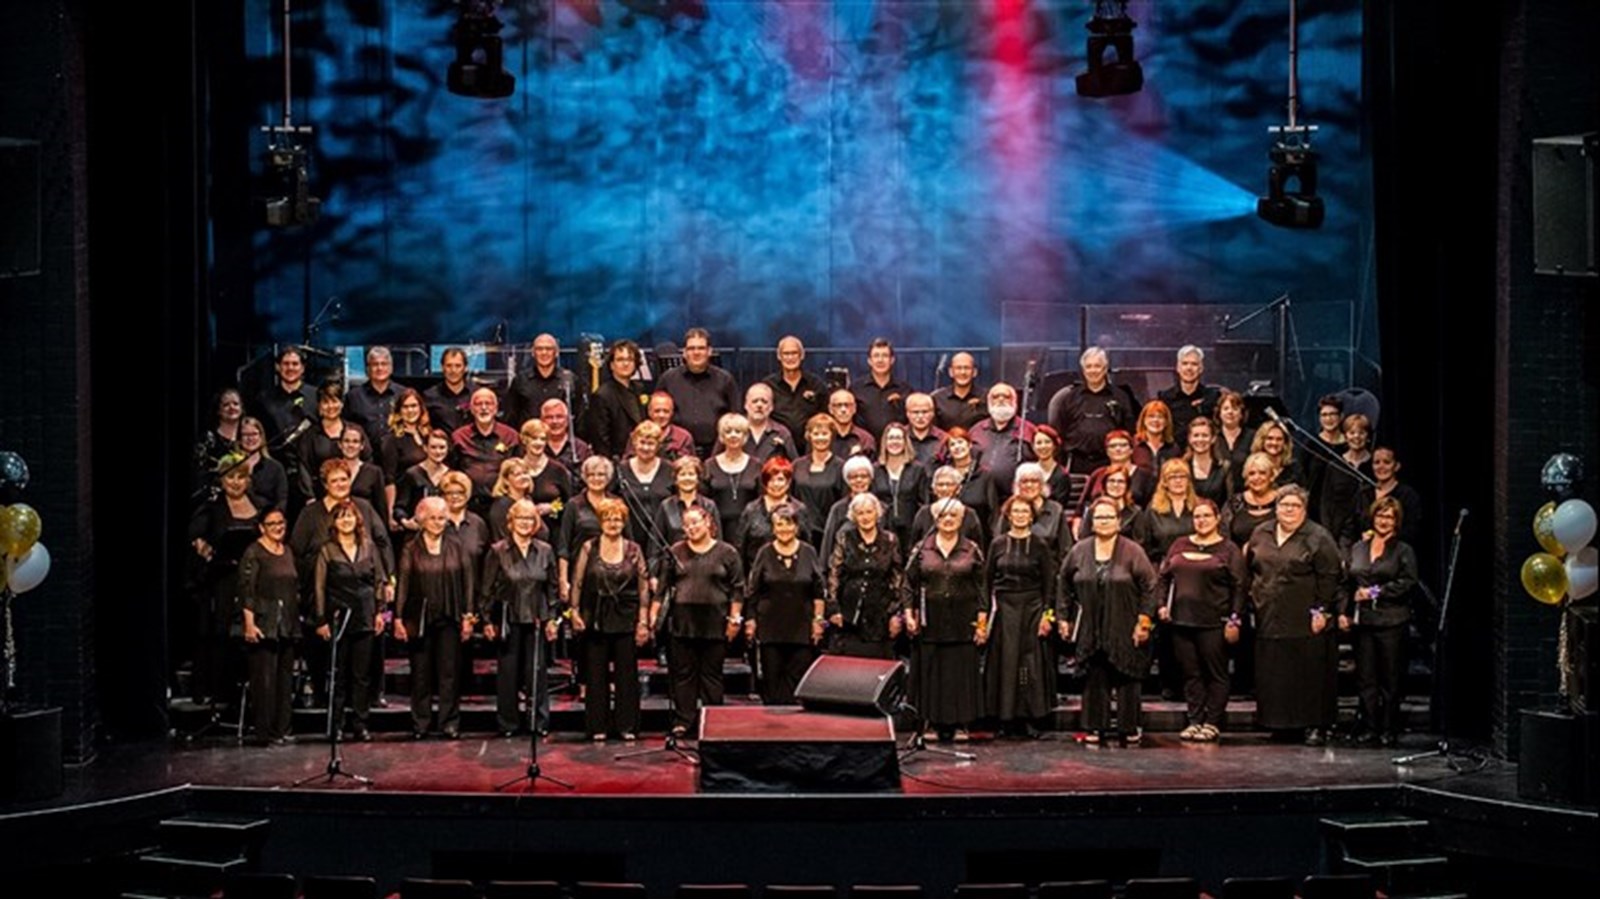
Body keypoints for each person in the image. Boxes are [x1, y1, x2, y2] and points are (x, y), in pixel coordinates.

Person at [1244, 485, 1345, 746]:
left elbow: (1330, 577)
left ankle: (1314, 726)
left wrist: (1321, 610)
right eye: (1283, 505)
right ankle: (1280, 724)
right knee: (1275, 671)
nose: (1288, 510)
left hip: (1305, 615)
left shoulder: (1318, 537)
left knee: (1308, 672)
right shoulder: (1261, 532)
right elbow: (1251, 569)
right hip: (1269, 615)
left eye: (1294, 506)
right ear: (1276, 507)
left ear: (1304, 509)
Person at [1057, 497, 1159, 744]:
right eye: (1098, 517)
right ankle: (1095, 726)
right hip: (1090, 624)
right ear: (1091, 521)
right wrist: (1063, 617)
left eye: (1108, 517)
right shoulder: (1079, 550)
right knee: (1094, 674)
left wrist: (1144, 621)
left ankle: (1129, 727)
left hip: (1125, 623)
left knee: (1127, 676)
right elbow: (1063, 584)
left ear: (1118, 521)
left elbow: (1150, 586)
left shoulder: (1133, 550)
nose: (1103, 522)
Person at [1158, 499, 1246, 743]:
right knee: (1191, 673)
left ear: (1217, 518)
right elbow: (1164, 577)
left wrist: (1235, 620)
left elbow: (1239, 588)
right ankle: (1195, 720)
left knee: (1216, 673)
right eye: (1197, 516)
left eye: (1207, 515)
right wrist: (1162, 605)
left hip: (1214, 622)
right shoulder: (1179, 544)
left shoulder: (1229, 549)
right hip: (1181, 621)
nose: (1202, 520)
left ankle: (1213, 722)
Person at [652, 506, 743, 738]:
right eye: (687, 525)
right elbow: (662, 587)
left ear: (708, 522)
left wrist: (735, 619)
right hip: (683, 623)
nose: (691, 528)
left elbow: (737, 589)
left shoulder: (727, 552)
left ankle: (713, 718)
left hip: (715, 622)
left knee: (712, 674)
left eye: (695, 523)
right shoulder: (675, 551)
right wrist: (652, 615)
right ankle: (684, 720)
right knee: (683, 674)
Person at [393, 496, 476, 739]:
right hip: (419, 618)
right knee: (420, 673)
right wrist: (397, 617)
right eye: (432, 518)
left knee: (449, 672)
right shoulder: (410, 547)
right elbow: (404, 583)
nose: (438, 523)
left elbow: (468, 582)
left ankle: (449, 722)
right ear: (421, 519)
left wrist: (468, 615)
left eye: (442, 518)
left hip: (450, 616)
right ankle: (421, 722)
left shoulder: (456, 545)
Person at [568, 498, 651, 740]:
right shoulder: (588, 547)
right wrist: (574, 610)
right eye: (608, 519)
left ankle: (627, 726)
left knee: (627, 675)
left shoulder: (634, 549)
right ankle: (598, 727)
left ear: (624, 522)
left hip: (626, 616)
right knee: (595, 675)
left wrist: (643, 621)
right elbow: (578, 582)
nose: (613, 523)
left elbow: (643, 587)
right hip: (595, 616)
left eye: (617, 519)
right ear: (600, 521)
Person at [906, 499, 987, 742]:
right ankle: (930, 723)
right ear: (935, 520)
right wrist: (909, 614)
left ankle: (961, 723)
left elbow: (982, 588)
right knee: (930, 672)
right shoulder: (921, 548)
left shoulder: (972, 549)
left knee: (960, 673)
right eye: (943, 515)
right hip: (930, 621)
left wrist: (982, 624)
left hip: (963, 621)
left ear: (961, 519)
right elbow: (908, 585)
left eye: (953, 515)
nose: (948, 519)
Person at [480, 498, 560, 738]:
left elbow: (552, 589)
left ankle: (538, 721)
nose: (525, 523)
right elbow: (487, 588)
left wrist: (552, 619)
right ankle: (508, 723)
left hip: (537, 617)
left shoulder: (545, 550)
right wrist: (486, 620)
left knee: (536, 673)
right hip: (508, 618)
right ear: (511, 522)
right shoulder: (497, 551)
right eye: (520, 519)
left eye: (529, 519)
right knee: (508, 674)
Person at [311, 500, 389, 742]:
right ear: (334, 522)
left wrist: (379, 612)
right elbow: (319, 587)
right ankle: (336, 725)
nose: (346, 521)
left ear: (358, 520)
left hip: (365, 616)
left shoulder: (368, 547)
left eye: (350, 516)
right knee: (339, 674)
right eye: (341, 517)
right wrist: (321, 620)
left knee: (361, 675)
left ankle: (360, 723)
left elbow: (378, 582)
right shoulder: (327, 550)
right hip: (338, 618)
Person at [187, 457, 260, 706]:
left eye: (241, 477)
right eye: (231, 477)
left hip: (253, 579)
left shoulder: (259, 505)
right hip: (222, 580)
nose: (236, 482)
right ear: (222, 479)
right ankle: (218, 690)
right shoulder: (212, 508)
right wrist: (205, 549)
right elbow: (196, 539)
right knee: (221, 633)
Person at [1346, 496, 1418, 746]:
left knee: (1390, 677)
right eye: (1380, 516)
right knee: (1366, 677)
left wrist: (1376, 592)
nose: (1384, 521)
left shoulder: (1403, 550)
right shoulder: (1359, 547)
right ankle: (1369, 726)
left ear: (1396, 521)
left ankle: (1388, 727)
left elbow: (1408, 582)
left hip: (1392, 621)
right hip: (1364, 621)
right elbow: (1350, 578)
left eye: (1389, 517)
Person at [985, 495, 1058, 737]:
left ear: (1031, 516)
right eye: (1015, 511)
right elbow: (985, 583)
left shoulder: (1040, 545)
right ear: (1008, 515)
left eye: (1024, 511)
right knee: (1006, 662)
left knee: (1029, 663)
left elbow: (1049, 584)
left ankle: (1029, 716)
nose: (1019, 515)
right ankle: (1006, 718)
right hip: (1006, 608)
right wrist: (984, 617)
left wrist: (1047, 616)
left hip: (1033, 607)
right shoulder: (997, 544)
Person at [744, 503, 826, 705]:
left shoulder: (809, 551)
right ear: (773, 528)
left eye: (789, 525)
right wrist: (751, 620)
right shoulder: (764, 552)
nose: (784, 529)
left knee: (798, 677)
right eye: (779, 525)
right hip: (770, 627)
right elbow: (753, 590)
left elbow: (818, 591)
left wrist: (818, 620)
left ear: (796, 527)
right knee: (772, 677)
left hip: (801, 626)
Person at [237, 509, 299, 746]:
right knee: (264, 681)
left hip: (286, 623)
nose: (277, 527)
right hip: (264, 623)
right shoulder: (254, 552)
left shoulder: (287, 551)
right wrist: (249, 623)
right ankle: (265, 732)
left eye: (280, 523)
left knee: (284, 680)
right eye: (271, 524)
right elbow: (246, 590)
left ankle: (282, 729)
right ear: (261, 527)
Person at [826, 492, 906, 659]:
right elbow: (834, 573)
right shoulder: (844, 537)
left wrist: (895, 614)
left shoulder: (890, 540)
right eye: (860, 513)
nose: (865, 517)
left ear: (877, 513)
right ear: (853, 516)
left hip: (880, 614)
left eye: (869, 512)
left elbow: (898, 578)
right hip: (848, 614)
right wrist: (833, 608)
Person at [1047, 346, 1139, 477]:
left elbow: (1130, 431)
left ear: (1105, 368)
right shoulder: (1069, 398)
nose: (1093, 370)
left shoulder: (1121, 397)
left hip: (1111, 462)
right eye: (1088, 366)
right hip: (1076, 464)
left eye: (1097, 366)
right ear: (1083, 370)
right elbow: (1059, 432)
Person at [657, 328, 740, 456]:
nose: (696, 352)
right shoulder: (668, 379)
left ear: (709, 351)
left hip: (716, 452)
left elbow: (735, 416)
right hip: (676, 452)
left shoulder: (725, 379)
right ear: (684, 352)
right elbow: (656, 414)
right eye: (691, 348)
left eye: (701, 348)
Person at [557, 455, 618, 602]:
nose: (596, 479)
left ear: (608, 477)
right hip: (580, 575)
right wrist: (563, 580)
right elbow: (564, 545)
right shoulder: (574, 504)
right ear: (584, 477)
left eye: (601, 474)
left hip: (612, 575)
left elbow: (628, 542)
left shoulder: (617, 503)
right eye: (591, 474)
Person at [450, 387, 521, 513]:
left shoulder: (511, 436)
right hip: (468, 505)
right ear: (471, 409)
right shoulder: (459, 437)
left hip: (502, 505)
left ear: (496, 409)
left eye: (488, 403)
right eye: (478, 404)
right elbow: (452, 472)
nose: (483, 408)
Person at [735, 456, 812, 567]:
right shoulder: (751, 509)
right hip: (758, 575)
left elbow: (807, 547)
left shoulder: (799, 509)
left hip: (794, 575)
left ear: (789, 482)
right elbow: (740, 547)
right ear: (764, 483)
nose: (775, 484)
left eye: (780, 479)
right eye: (771, 479)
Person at [652, 455, 721, 578]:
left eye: (691, 474)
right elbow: (655, 544)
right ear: (676, 479)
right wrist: (653, 575)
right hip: (672, 571)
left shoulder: (709, 506)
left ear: (698, 478)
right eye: (682, 474)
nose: (687, 478)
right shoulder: (665, 506)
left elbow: (718, 540)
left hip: (705, 571)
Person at [505, 333, 584, 436]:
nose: (544, 353)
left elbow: (579, 417)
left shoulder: (570, 380)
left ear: (556, 353)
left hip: (561, 445)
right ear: (533, 353)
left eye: (548, 349)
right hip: (528, 444)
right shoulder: (520, 381)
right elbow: (511, 416)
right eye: (539, 349)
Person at [1346, 446, 1423, 548]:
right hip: (1364, 556)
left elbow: (1413, 530)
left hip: (1396, 554)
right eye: (1376, 462)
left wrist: (1384, 539)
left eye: (1386, 462)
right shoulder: (1363, 494)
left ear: (1396, 466)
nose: (1381, 467)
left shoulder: (1408, 495)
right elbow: (1349, 529)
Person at [615, 421, 673, 554]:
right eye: (642, 442)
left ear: (658, 445)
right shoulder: (620, 470)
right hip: (629, 540)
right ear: (634, 442)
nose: (646, 448)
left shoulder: (669, 469)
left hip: (664, 540)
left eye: (651, 443)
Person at [872, 422, 930, 552]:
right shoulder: (875, 470)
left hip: (911, 529)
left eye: (899, 438)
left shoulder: (917, 469)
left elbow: (924, 501)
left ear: (905, 442)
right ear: (884, 442)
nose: (895, 442)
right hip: (883, 530)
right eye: (891, 438)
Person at [586, 339, 648, 460]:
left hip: (642, 455)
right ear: (612, 365)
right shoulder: (602, 395)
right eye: (620, 359)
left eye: (630, 360)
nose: (625, 364)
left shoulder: (640, 388)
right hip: (617, 460)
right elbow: (600, 440)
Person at [297, 380, 358, 501]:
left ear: (342, 404)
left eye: (335, 401)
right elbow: (303, 468)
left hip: (353, 496)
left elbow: (366, 463)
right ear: (319, 405)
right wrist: (310, 497)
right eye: (325, 402)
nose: (331, 406)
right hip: (319, 498)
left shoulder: (355, 431)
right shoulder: (310, 435)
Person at [968, 382, 1036, 492]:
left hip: (1016, 498)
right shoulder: (976, 431)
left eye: (1006, 396)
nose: (1001, 399)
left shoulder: (1028, 430)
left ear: (1015, 402)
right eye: (995, 397)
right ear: (989, 402)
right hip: (982, 496)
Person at [1318, 413, 1374, 543]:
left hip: (1369, 532)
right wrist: (1328, 534)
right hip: (1340, 532)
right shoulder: (1335, 465)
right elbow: (1326, 503)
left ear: (1368, 436)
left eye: (1362, 433)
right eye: (1352, 432)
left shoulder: (1375, 464)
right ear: (1345, 436)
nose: (1356, 437)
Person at [381, 389, 434, 528]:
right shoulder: (391, 439)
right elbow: (389, 478)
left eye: (414, 406)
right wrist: (391, 513)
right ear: (399, 411)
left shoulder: (428, 434)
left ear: (421, 408)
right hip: (404, 503)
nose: (410, 410)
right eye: (405, 407)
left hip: (427, 500)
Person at [704, 413, 761, 541]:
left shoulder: (756, 465)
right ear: (721, 436)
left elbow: (761, 499)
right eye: (728, 432)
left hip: (750, 531)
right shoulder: (709, 465)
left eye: (738, 431)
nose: (733, 435)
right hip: (717, 531)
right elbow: (704, 501)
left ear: (745, 436)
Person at [1133, 458, 1199, 565]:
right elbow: (1146, 544)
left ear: (1189, 481)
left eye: (1182, 476)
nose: (1178, 481)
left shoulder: (1199, 506)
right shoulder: (1153, 508)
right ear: (1165, 482)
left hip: (1197, 565)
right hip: (1163, 565)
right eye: (1172, 477)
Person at [761, 335, 828, 439]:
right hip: (777, 444)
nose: (790, 358)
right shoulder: (768, 385)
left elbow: (826, 415)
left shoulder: (816, 384)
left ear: (802, 356)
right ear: (779, 356)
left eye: (794, 353)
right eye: (786, 354)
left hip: (810, 444)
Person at [941, 427, 999, 547]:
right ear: (949, 450)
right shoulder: (943, 476)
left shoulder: (985, 476)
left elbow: (994, 512)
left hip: (980, 538)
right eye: (952, 444)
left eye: (960, 442)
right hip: (947, 537)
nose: (957, 447)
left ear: (970, 445)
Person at [517, 418, 573, 538]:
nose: (539, 443)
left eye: (543, 439)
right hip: (521, 533)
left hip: (553, 533)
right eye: (534, 438)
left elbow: (569, 504)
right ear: (524, 439)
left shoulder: (558, 470)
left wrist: (552, 507)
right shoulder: (516, 468)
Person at [793, 414, 845, 542]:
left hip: (830, 533)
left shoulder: (841, 467)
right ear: (809, 436)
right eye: (816, 434)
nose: (820, 438)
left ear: (831, 435)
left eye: (824, 433)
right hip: (799, 534)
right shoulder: (797, 465)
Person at [1156, 345, 1221, 448]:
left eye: (1194, 364)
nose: (1189, 368)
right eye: (1185, 363)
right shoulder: (1165, 398)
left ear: (1201, 368)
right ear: (1178, 367)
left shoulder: (1212, 397)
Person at [852, 338, 913, 442]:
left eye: (885, 356)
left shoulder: (905, 389)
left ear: (892, 360)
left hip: (896, 447)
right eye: (876, 356)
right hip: (864, 446)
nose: (880, 360)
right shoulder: (855, 389)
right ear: (869, 361)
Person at [395, 429, 452, 534]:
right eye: (433, 447)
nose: (438, 451)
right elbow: (400, 506)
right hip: (418, 532)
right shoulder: (412, 474)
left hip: (445, 533)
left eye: (442, 447)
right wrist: (406, 522)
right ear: (425, 448)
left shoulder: (451, 475)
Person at [911, 465, 985, 546]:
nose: (944, 489)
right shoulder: (923, 514)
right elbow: (914, 545)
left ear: (958, 488)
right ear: (934, 488)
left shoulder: (970, 515)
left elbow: (978, 547)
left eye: (949, 484)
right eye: (940, 484)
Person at [1010, 462, 1070, 558]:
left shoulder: (1056, 509)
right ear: (1017, 485)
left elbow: (1065, 547)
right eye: (1024, 481)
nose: (1029, 485)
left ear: (1042, 485)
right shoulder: (1010, 507)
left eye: (1034, 481)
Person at [1222, 451, 1281, 548]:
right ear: (1246, 477)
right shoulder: (1234, 503)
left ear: (1271, 476)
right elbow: (1223, 535)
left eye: (1262, 473)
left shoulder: (1282, 501)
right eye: (1252, 473)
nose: (1257, 478)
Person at [344, 346, 398, 450]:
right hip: (363, 457)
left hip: (398, 457)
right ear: (367, 369)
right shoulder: (353, 396)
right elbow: (347, 428)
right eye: (375, 364)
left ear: (391, 368)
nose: (380, 368)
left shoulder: (403, 394)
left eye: (384, 364)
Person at [337, 424, 389, 529]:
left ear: (362, 446)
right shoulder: (331, 470)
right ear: (340, 444)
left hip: (366, 528)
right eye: (346, 441)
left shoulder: (374, 472)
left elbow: (381, 509)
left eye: (355, 441)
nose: (350, 445)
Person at [236, 416, 288, 514]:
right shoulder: (233, 467)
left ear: (261, 437)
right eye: (245, 435)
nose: (250, 438)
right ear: (239, 439)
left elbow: (282, 500)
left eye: (254, 434)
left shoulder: (276, 468)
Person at [542, 398, 592, 489]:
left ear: (568, 420)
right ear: (541, 420)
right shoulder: (535, 447)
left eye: (559, 417)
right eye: (549, 417)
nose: (554, 421)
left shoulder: (581, 448)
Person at [422, 346, 474, 433]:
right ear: (442, 367)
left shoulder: (477, 394)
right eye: (449, 366)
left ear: (465, 368)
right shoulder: (429, 396)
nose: (453, 370)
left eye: (458, 366)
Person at [931, 351, 987, 431]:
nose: (963, 372)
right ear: (950, 372)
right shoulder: (937, 398)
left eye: (967, 368)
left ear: (974, 372)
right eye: (958, 368)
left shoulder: (986, 397)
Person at [638, 392, 698, 462]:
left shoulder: (684, 437)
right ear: (649, 412)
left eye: (666, 411)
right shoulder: (639, 435)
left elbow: (693, 467)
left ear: (672, 413)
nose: (661, 415)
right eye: (657, 411)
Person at [743, 382, 794, 463]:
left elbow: (794, 466)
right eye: (754, 401)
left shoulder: (782, 433)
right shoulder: (733, 430)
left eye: (764, 401)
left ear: (771, 407)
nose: (759, 405)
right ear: (746, 405)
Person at [487, 458, 535, 542]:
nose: (523, 477)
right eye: (517, 474)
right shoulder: (501, 506)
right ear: (506, 481)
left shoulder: (528, 500)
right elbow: (501, 539)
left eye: (525, 473)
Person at [1250, 419, 1305, 489]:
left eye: (1279, 439)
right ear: (1262, 440)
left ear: (1285, 443)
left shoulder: (1294, 469)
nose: (1274, 443)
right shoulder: (1252, 466)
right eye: (1270, 438)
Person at [1031, 425, 1074, 512]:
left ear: (1054, 445)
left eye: (1047, 442)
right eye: (1039, 443)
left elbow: (1059, 507)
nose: (1043, 446)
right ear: (1033, 447)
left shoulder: (1062, 475)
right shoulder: (1028, 472)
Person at [825, 389, 878, 459]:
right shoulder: (822, 438)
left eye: (847, 405)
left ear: (854, 408)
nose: (843, 410)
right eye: (838, 405)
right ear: (830, 409)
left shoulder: (865, 439)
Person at [1131, 400, 1178, 477]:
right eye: (1151, 416)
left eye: (1160, 417)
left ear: (1166, 422)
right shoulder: (1133, 445)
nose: (1156, 420)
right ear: (1144, 420)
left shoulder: (1173, 448)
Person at [1216, 390, 1257, 475]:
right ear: (1219, 413)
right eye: (1226, 408)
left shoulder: (1253, 436)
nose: (1230, 412)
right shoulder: (1212, 436)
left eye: (1235, 408)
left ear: (1241, 414)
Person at [904, 392, 948, 468]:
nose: (920, 416)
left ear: (932, 413)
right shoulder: (900, 436)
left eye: (925, 412)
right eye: (915, 412)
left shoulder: (943, 438)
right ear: (907, 414)